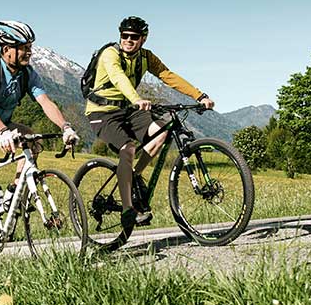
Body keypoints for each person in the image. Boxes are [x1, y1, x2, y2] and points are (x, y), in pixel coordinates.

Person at [0, 20, 80, 248]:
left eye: (29, 47)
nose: (28, 52)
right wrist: (2, 131)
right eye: (23, 48)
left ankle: (12, 193)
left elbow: (46, 103)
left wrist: (66, 127)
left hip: (1, 126)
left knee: (34, 140)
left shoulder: (27, 74)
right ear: (7, 50)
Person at [84, 16, 216, 228]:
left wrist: (199, 96)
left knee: (162, 130)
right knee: (127, 149)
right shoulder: (110, 54)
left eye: (134, 37)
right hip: (102, 112)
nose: (128, 40)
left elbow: (168, 75)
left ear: (143, 39)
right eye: (124, 35)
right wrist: (136, 99)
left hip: (127, 109)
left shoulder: (146, 57)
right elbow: (119, 78)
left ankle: (133, 177)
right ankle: (129, 209)